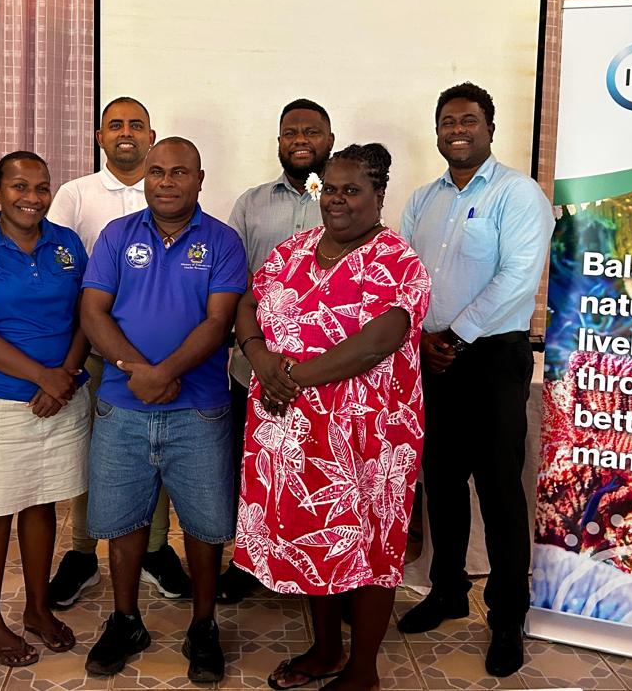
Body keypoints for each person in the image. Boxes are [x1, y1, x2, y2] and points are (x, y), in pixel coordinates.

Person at [233, 144, 430, 691]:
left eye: (352, 190)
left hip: (369, 439)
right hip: (291, 433)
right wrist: (259, 357)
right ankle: (324, 650)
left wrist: (290, 378)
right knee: (312, 540)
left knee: (368, 545)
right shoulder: (294, 249)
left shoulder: (398, 260)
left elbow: (379, 341)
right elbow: (249, 303)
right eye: (330, 189)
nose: (337, 200)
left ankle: (361, 669)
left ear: (378, 196)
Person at [397, 82, 553, 678]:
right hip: (430, 357)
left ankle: (507, 615)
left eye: (468, 119)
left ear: (490, 128)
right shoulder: (422, 200)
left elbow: (519, 276)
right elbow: (402, 274)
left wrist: (456, 336)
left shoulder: (517, 194)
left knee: (497, 490)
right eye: (446, 120)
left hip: (491, 359)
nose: (456, 129)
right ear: (437, 131)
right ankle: (447, 590)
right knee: (440, 481)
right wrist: (421, 338)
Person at [79, 137, 248, 682]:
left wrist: (165, 373)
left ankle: (203, 625)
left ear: (201, 179)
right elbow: (93, 311)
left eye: (180, 172)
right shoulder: (115, 235)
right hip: (121, 408)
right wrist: (138, 371)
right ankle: (126, 620)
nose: (167, 182)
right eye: (157, 172)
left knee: (204, 528)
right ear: (144, 178)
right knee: (124, 522)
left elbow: (219, 322)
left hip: (199, 410)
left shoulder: (223, 241)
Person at [0, 152, 91, 667]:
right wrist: (42, 376)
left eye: (42, 186)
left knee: (41, 501)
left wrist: (65, 376)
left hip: (60, 399)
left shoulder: (67, 244)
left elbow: (86, 315)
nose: (32, 197)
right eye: (19, 186)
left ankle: (36, 608)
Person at [46, 96, 193, 606]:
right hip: (91, 352)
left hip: (162, 359)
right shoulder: (75, 194)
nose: (126, 132)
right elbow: (58, 264)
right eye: (115, 125)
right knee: (93, 457)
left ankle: (154, 550)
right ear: (99, 137)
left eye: (136, 124)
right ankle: (83, 553)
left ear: (151, 135)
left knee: (154, 453)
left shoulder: (173, 189)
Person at [220, 98, 335, 604]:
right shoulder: (251, 203)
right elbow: (234, 281)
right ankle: (250, 562)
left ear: (329, 140)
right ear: (279, 142)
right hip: (256, 364)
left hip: (329, 372)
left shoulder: (344, 198)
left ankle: (328, 571)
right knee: (256, 471)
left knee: (320, 472)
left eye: (311, 131)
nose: (301, 139)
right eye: (291, 132)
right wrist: (260, 355)